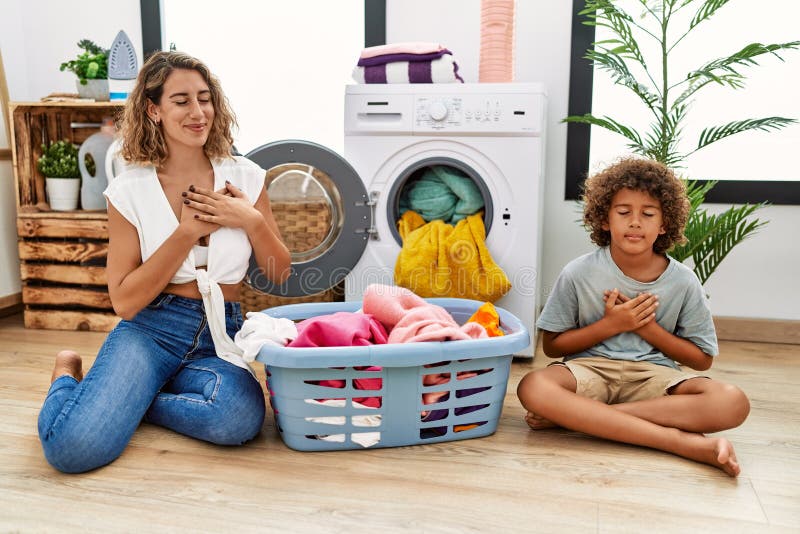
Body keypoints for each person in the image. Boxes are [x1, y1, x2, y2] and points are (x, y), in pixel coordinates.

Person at [38, 51, 291, 473]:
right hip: (151, 331)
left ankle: (135, 398)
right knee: (72, 449)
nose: (198, 112)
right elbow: (125, 302)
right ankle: (68, 375)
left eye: (205, 98)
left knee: (238, 419)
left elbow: (280, 274)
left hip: (219, 330)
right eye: (181, 101)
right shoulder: (128, 191)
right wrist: (186, 232)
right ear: (153, 109)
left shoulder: (245, 177)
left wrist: (250, 220)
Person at [516, 157, 750, 477]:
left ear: (664, 223)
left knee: (732, 401)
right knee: (533, 386)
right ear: (604, 220)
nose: (635, 222)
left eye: (648, 214)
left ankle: (583, 417)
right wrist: (611, 325)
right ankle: (681, 443)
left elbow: (701, 359)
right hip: (589, 370)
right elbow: (553, 347)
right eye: (624, 212)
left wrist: (648, 329)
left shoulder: (683, 281)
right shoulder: (578, 272)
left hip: (655, 375)